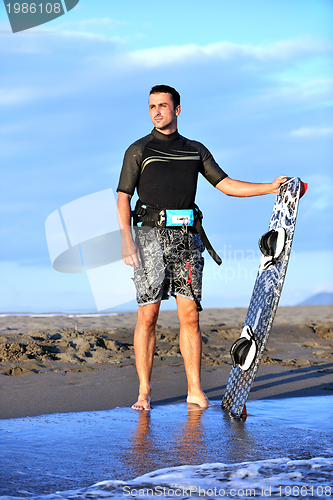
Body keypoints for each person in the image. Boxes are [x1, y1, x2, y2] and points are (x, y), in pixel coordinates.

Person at [116, 84, 287, 411]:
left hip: (187, 240)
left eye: (163, 106)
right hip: (150, 237)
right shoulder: (138, 150)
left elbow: (226, 185)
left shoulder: (195, 150)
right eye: (152, 106)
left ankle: (194, 390)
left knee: (190, 316)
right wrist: (126, 240)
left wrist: (269, 187)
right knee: (148, 314)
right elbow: (123, 196)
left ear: (177, 109)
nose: (157, 111)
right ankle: (144, 392)